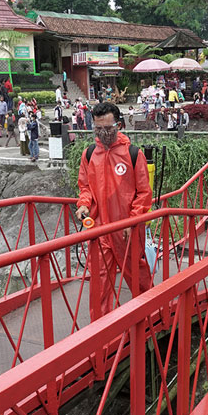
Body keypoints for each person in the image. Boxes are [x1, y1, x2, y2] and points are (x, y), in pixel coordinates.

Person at [75, 102, 153, 317]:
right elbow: (85, 187)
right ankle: (101, 332)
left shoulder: (133, 154)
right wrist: (83, 204)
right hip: (99, 229)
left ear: (118, 125)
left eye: (108, 129)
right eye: (98, 129)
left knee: (136, 273)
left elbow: (144, 193)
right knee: (99, 280)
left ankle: (150, 314)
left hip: (126, 228)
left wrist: (133, 220)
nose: (103, 134)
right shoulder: (89, 154)